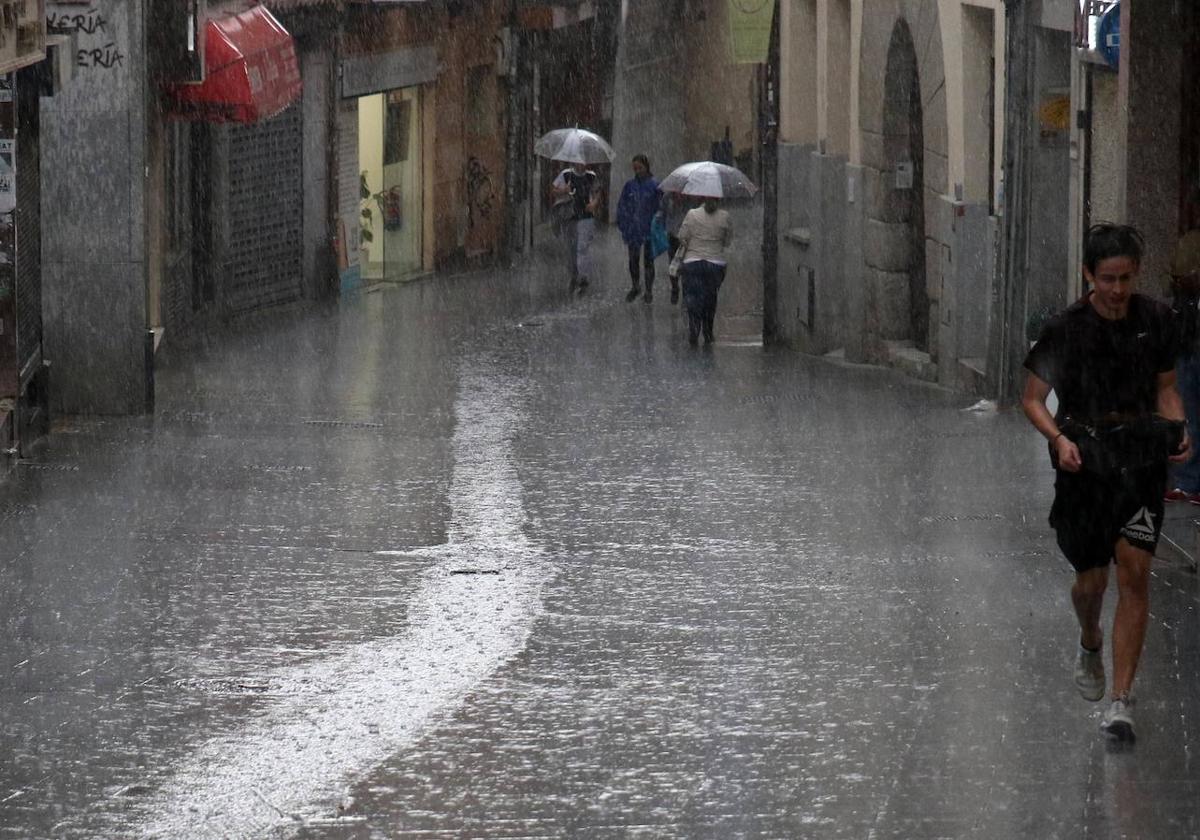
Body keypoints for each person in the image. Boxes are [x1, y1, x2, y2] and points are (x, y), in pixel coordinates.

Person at [1021, 223, 1190, 743]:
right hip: (1084, 459)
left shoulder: (1156, 320)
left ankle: (1120, 701)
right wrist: (1058, 440)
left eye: (1127, 278)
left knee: (1135, 571)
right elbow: (1031, 398)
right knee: (1091, 583)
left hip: (1139, 458)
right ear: (1088, 275)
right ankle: (1090, 636)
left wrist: (1179, 431)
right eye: (1108, 279)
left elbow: (1167, 389)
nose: (1118, 290)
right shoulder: (1065, 329)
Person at [1166, 194, 1200, 503]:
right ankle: (1187, 480)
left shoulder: (1190, 241)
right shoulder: (1191, 242)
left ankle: (1187, 480)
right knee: (1187, 407)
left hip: (1190, 338)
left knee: (1189, 407)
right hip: (1190, 337)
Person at [671, 197, 732, 345]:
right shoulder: (725, 216)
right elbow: (728, 241)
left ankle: (694, 327)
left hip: (693, 262)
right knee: (711, 297)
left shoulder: (692, 214)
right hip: (715, 264)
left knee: (692, 297)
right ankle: (708, 330)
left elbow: (681, 237)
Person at [616, 154, 661, 303]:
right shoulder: (630, 185)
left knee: (648, 261)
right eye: (635, 168)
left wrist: (658, 223)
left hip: (648, 228)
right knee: (633, 260)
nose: (637, 171)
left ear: (646, 167)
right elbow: (622, 205)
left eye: (640, 168)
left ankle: (648, 290)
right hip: (633, 228)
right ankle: (635, 286)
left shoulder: (654, 185)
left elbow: (660, 206)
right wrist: (623, 223)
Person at [552, 161, 601, 295]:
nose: (580, 164)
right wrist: (564, 190)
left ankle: (583, 277)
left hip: (586, 216)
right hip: (570, 217)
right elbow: (554, 191)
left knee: (582, 248)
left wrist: (594, 203)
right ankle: (574, 275)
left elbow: (597, 193)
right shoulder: (566, 175)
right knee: (571, 250)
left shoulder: (591, 176)